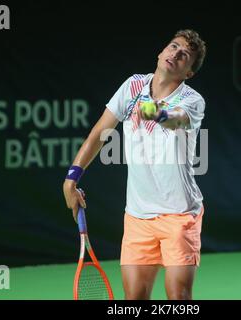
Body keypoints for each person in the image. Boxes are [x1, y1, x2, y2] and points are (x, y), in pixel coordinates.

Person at [63, 29, 207, 300]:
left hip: (179, 215)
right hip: (138, 217)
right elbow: (99, 134)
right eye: (173, 46)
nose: (175, 53)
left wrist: (150, 110)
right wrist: (72, 178)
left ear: (189, 72)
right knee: (134, 300)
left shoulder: (192, 101)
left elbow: (176, 119)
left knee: (179, 297)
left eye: (184, 54)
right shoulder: (132, 86)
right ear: (161, 52)